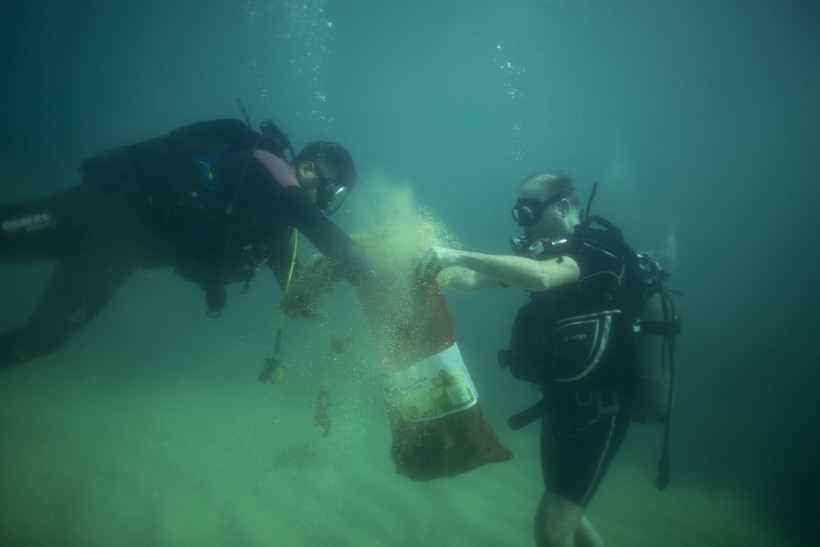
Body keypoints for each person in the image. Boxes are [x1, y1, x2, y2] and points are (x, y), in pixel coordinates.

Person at [0, 120, 372, 370]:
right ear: (306, 169)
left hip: (118, 255)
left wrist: (324, 286)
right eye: (332, 192)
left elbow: (294, 292)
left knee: (40, 340)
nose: (328, 204)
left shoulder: (279, 230)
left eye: (337, 199)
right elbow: (320, 228)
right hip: (104, 212)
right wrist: (375, 273)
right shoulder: (265, 163)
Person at [416, 172, 642, 547]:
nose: (524, 221)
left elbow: (542, 278)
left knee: (552, 527)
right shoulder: (547, 253)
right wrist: (428, 268)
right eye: (518, 213)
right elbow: (473, 281)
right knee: (569, 516)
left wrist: (455, 254)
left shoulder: (596, 247)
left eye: (530, 210)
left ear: (566, 205)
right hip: (560, 403)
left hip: (600, 409)